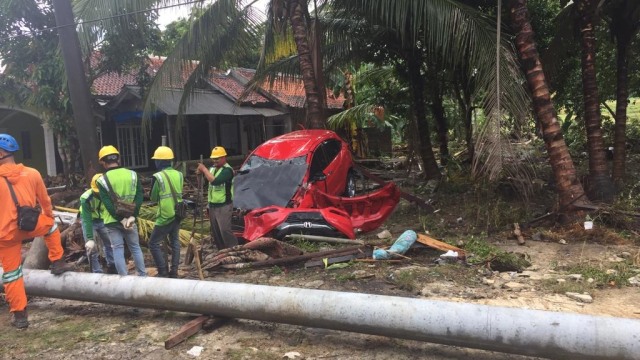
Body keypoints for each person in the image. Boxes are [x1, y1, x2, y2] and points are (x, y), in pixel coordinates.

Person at [0, 133, 74, 329]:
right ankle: (57, 261)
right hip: (30, 225)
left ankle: (20, 315)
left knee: (12, 274)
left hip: (6, 234)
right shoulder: (32, 173)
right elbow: (45, 202)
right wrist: (47, 216)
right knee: (51, 226)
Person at [95, 145, 146, 277]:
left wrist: (120, 219)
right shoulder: (133, 175)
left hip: (112, 221)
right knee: (135, 247)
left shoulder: (101, 180)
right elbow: (139, 196)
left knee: (117, 248)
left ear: (104, 163)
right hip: (130, 219)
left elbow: (108, 204)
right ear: (118, 159)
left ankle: (123, 278)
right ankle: (142, 276)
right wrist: (132, 216)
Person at [148, 146, 183, 278]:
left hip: (165, 215)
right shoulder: (179, 174)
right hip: (178, 213)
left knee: (153, 243)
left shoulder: (158, 177)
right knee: (175, 242)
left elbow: (153, 197)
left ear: (160, 161)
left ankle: (163, 271)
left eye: (156, 160)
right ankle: (174, 271)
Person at [196, 146, 234, 250]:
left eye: (217, 158)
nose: (215, 160)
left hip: (224, 205)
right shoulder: (212, 169)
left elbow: (216, 181)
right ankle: (221, 251)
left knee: (225, 230)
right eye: (213, 158)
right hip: (212, 205)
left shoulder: (228, 170)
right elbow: (203, 185)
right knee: (216, 232)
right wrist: (199, 175)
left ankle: (234, 249)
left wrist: (203, 169)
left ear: (224, 157)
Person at [79, 173, 115, 274]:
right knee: (92, 248)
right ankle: (96, 271)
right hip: (89, 220)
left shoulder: (109, 195)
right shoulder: (86, 198)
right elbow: (87, 220)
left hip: (102, 219)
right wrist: (90, 238)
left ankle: (112, 265)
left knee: (109, 243)